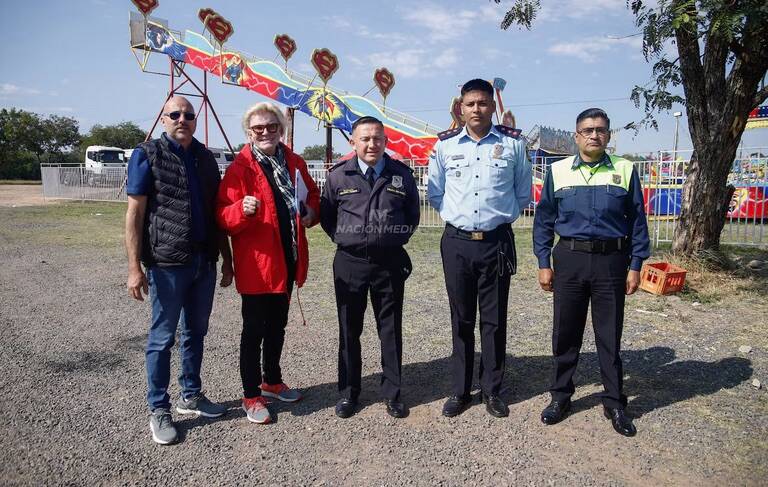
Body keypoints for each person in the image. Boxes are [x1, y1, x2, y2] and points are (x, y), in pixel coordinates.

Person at [533, 108, 650, 437]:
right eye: (587, 130)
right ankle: (561, 396)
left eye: (600, 130)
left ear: (609, 135)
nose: (594, 135)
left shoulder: (625, 170)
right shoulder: (558, 171)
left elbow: (638, 222)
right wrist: (544, 262)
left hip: (611, 262)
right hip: (569, 259)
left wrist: (635, 265)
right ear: (577, 135)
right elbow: (543, 220)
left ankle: (614, 402)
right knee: (565, 333)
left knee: (609, 336)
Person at [125, 95, 234, 445]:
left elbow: (217, 214)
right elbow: (135, 214)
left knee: (196, 333)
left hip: (204, 262)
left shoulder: (205, 158)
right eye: (175, 114)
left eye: (188, 114)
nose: (182, 119)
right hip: (167, 263)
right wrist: (134, 267)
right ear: (164, 119)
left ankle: (192, 395)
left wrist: (226, 258)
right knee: (161, 339)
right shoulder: (147, 155)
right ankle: (159, 408)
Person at [427, 79, 532, 418]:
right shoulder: (444, 146)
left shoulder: (513, 145)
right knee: (461, 318)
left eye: (483, 103)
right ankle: (460, 390)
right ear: (461, 107)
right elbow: (435, 191)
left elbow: (522, 192)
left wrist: (500, 219)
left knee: (494, 319)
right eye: (470, 104)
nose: (476, 109)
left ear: (492, 106)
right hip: (457, 243)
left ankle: (492, 389)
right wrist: (455, 217)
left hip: (496, 243)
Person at [217, 102, 320, 425]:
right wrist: (240, 210)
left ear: (281, 130)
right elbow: (222, 217)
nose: (265, 132)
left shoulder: (294, 161)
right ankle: (251, 395)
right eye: (258, 128)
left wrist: (310, 214)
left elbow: (312, 199)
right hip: (257, 265)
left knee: (278, 325)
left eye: (271, 127)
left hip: (287, 260)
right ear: (249, 133)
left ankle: (272, 381)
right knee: (253, 331)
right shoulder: (240, 168)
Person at [320, 116, 420, 419]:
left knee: (390, 330)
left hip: (388, 263)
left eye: (377, 138)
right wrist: (349, 239)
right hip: (349, 263)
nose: (371, 144)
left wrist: (389, 239)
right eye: (364, 138)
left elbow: (412, 216)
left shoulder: (401, 175)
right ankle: (349, 393)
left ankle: (393, 393)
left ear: (385, 141)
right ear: (353, 142)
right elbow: (327, 216)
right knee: (349, 330)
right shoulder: (339, 177)